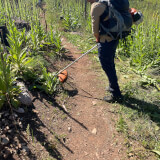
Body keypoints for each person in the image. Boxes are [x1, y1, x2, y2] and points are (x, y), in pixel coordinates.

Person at [87, 0, 132, 102]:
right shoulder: (106, 2)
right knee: (110, 63)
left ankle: (115, 94)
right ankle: (112, 85)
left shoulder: (96, 6)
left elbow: (95, 30)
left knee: (106, 65)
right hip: (115, 37)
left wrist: (97, 39)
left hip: (106, 39)